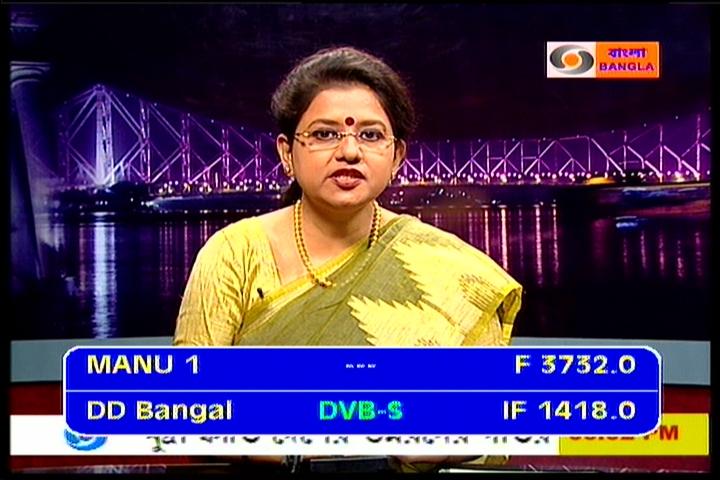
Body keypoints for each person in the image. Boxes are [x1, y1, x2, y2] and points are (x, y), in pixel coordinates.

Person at [174, 46, 523, 473]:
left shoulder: (449, 267)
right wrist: (295, 450)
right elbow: (189, 407)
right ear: (286, 152)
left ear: (397, 156)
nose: (350, 152)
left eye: (371, 135)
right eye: (325, 134)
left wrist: (443, 445)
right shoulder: (234, 253)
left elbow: (489, 421)